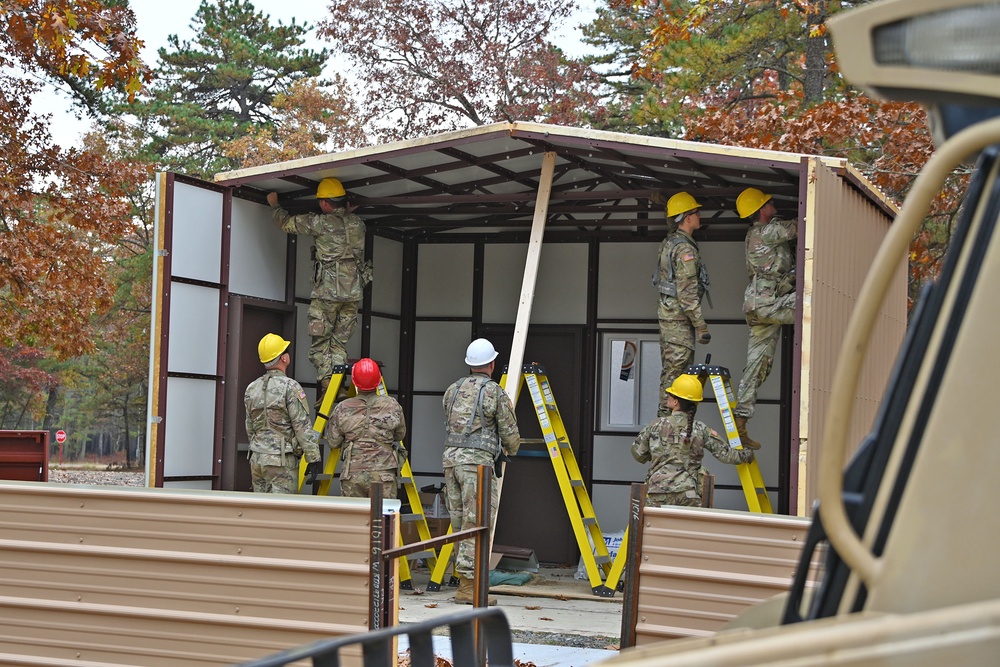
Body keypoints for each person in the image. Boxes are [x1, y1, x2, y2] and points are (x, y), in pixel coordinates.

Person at [266, 177, 371, 402]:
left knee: (321, 344)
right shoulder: (358, 223)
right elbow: (346, 222)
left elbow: (285, 223)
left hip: (327, 294)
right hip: (353, 294)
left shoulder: (320, 222)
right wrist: (347, 212)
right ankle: (339, 386)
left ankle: (328, 387)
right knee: (338, 343)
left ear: (324, 203)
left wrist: (274, 205)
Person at [442, 338, 520, 605]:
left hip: (450, 462)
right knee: (476, 523)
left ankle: (463, 579)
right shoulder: (495, 392)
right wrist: (511, 449)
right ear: (492, 364)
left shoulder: (452, 389)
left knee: (459, 523)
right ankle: (469, 587)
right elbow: (510, 433)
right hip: (476, 466)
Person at [732, 187, 797, 450]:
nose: (774, 205)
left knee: (757, 365)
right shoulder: (768, 231)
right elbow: (799, 227)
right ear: (762, 210)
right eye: (769, 203)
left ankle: (740, 420)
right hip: (769, 303)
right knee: (813, 305)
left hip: (758, 307)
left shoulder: (753, 234)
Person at [631, 374, 754, 508]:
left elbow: (638, 454)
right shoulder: (700, 428)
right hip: (689, 493)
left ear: (676, 401)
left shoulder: (654, 425)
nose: (667, 396)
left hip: (657, 492)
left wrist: (656, 454)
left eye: (670, 394)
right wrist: (747, 454)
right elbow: (727, 455)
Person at [653, 191, 712, 417]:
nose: (700, 216)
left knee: (671, 371)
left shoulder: (670, 242)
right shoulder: (684, 248)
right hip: (679, 320)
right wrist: (701, 326)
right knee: (676, 374)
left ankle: (665, 422)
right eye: (696, 212)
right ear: (687, 217)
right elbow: (687, 292)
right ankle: (665, 424)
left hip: (669, 316)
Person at [244, 333, 322, 494]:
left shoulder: (252, 388)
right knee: (283, 511)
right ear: (284, 358)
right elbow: (302, 427)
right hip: (281, 461)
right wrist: (313, 458)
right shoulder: (290, 387)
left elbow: (249, 426)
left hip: (257, 459)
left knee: (260, 510)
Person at [325, 358, 407, 499]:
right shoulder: (392, 405)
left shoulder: (343, 408)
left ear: (354, 381)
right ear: (379, 379)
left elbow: (333, 442)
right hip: (383, 473)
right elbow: (400, 435)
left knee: (354, 519)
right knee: (383, 519)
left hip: (353, 474)